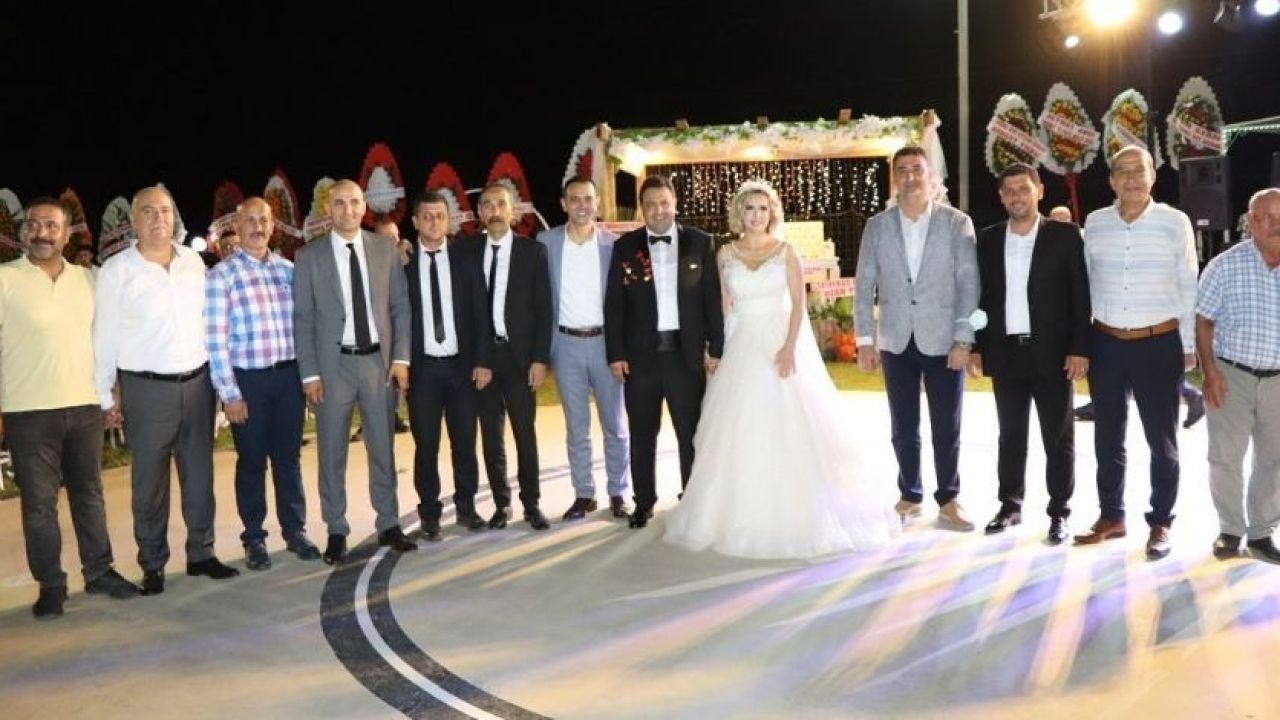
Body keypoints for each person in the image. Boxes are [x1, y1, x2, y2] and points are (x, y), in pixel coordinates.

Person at [663, 181, 899, 558]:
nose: (756, 215)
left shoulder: (786, 251)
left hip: (779, 342)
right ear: (739, 213)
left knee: (792, 421)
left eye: (763, 208)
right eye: (749, 208)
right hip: (740, 342)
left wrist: (790, 347)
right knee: (738, 427)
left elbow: (799, 304)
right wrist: (715, 349)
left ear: (771, 213)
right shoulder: (724, 254)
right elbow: (722, 306)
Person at [94, 185, 238, 595]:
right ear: (133, 220)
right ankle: (153, 562)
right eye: (149, 211)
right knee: (149, 483)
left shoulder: (192, 262)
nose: (159, 219)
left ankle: (201, 553)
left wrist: (221, 383)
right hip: (146, 389)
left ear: (175, 217)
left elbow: (210, 323)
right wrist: (106, 394)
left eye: (165, 211)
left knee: (199, 476)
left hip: (197, 385)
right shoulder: (116, 271)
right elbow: (104, 336)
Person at [1, 197, 140, 619]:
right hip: (28, 411)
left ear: (67, 235)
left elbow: (106, 340)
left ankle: (99, 571)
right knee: (39, 505)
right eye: (33, 224)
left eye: (51, 226)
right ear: (23, 232)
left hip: (84, 407)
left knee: (89, 494)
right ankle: (51, 585)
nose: (41, 232)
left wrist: (111, 392)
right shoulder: (6, 279)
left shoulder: (88, 280)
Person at [1073, 145, 1198, 560]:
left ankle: (1161, 521)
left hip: (1158, 343)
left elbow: (1188, 282)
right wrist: (1080, 343)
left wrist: (1187, 346)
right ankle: (1111, 516)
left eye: (1138, 170)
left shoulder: (1174, 222)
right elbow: (1083, 287)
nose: (1130, 178)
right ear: (1111, 181)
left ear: (1152, 176)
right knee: (1107, 436)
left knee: (1162, 440)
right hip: (1106, 343)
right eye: (1122, 171)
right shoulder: (1095, 223)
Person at [854, 146, 980, 531]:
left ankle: (949, 498)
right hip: (895, 339)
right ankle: (910, 494)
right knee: (903, 425)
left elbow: (969, 284)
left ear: (930, 175)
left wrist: (963, 338)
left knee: (947, 425)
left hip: (944, 340)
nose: (910, 176)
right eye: (902, 170)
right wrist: (864, 339)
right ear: (895, 177)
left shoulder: (956, 223)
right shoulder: (877, 226)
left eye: (917, 169)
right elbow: (864, 284)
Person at [293, 179, 415, 564]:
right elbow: (303, 319)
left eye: (354, 202)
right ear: (328, 209)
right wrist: (310, 374)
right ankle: (336, 529)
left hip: (378, 365)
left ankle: (389, 523)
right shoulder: (309, 257)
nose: (348, 210)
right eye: (340, 203)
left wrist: (401, 359)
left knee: (383, 448)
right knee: (332, 453)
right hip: (333, 368)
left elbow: (400, 307)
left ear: (364, 207)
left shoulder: (384, 249)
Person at [970, 164, 1091, 545]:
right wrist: (976, 345)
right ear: (1001, 196)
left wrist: (1079, 348)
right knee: (1010, 435)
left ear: (1039, 191)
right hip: (1005, 352)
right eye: (1008, 191)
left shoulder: (1065, 236)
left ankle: (1059, 511)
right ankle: (1010, 505)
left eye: (1023, 188)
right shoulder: (988, 239)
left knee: (1058, 437)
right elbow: (981, 298)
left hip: (1053, 354)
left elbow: (1080, 295)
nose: (1016, 196)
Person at [205, 197, 320, 569]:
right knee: (252, 462)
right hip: (248, 382)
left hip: (288, 378)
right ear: (236, 226)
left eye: (264, 220)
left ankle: (295, 531)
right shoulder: (222, 276)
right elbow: (215, 340)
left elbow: (305, 328)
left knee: (288, 460)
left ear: (273, 226)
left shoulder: (288, 270)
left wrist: (308, 377)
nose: (258, 226)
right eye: (250, 220)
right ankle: (254, 537)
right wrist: (230, 394)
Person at [604, 174, 724, 529]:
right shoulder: (625, 247)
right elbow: (614, 306)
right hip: (640, 359)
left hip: (686, 357)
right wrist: (615, 353)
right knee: (642, 434)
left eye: (664, 203)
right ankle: (644, 502)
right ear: (642, 209)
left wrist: (716, 347)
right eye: (650, 204)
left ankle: (692, 498)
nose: (658, 210)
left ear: (675, 204)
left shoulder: (701, 242)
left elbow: (712, 300)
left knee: (690, 434)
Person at [538, 178, 631, 521]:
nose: (582, 205)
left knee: (615, 424)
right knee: (576, 427)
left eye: (588, 199)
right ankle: (584, 494)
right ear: (563, 204)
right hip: (565, 345)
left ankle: (618, 492)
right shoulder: (546, 243)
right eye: (574, 199)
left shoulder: (613, 245)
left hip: (606, 343)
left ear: (597, 203)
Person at [1195, 187, 1280, 563]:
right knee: (1225, 458)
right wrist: (1210, 372)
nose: (1275, 224)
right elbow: (1203, 321)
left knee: (1275, 459)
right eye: (1266, 217)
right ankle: (1230, 530)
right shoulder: (1225, 265)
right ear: (1250, 222)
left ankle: (1262, 533)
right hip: (1233, 376)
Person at [403, 191, 492, 540]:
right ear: (415, 222)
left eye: (440, 216)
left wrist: (483, 361)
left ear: (448, 220)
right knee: (426, 447)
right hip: (422, 372)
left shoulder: (465, 260)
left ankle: (467, 508)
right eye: (426, 216)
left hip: (462, 369)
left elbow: (481, 313)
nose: (434, 222)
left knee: (465, 444)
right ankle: (429, 514)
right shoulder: (403, 266)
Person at [465, 183, 553, 531]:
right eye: (487, 205)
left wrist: (540, 359)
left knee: (524, 435)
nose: (494, 211)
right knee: (491, 436)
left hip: (521, 360)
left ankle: (532, 503)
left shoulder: (533, 252)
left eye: (500, 204)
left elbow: (543, 309)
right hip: (484, 361)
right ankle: (502, 504)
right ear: (479, 213)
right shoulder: (467, 252)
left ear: (512, 210)